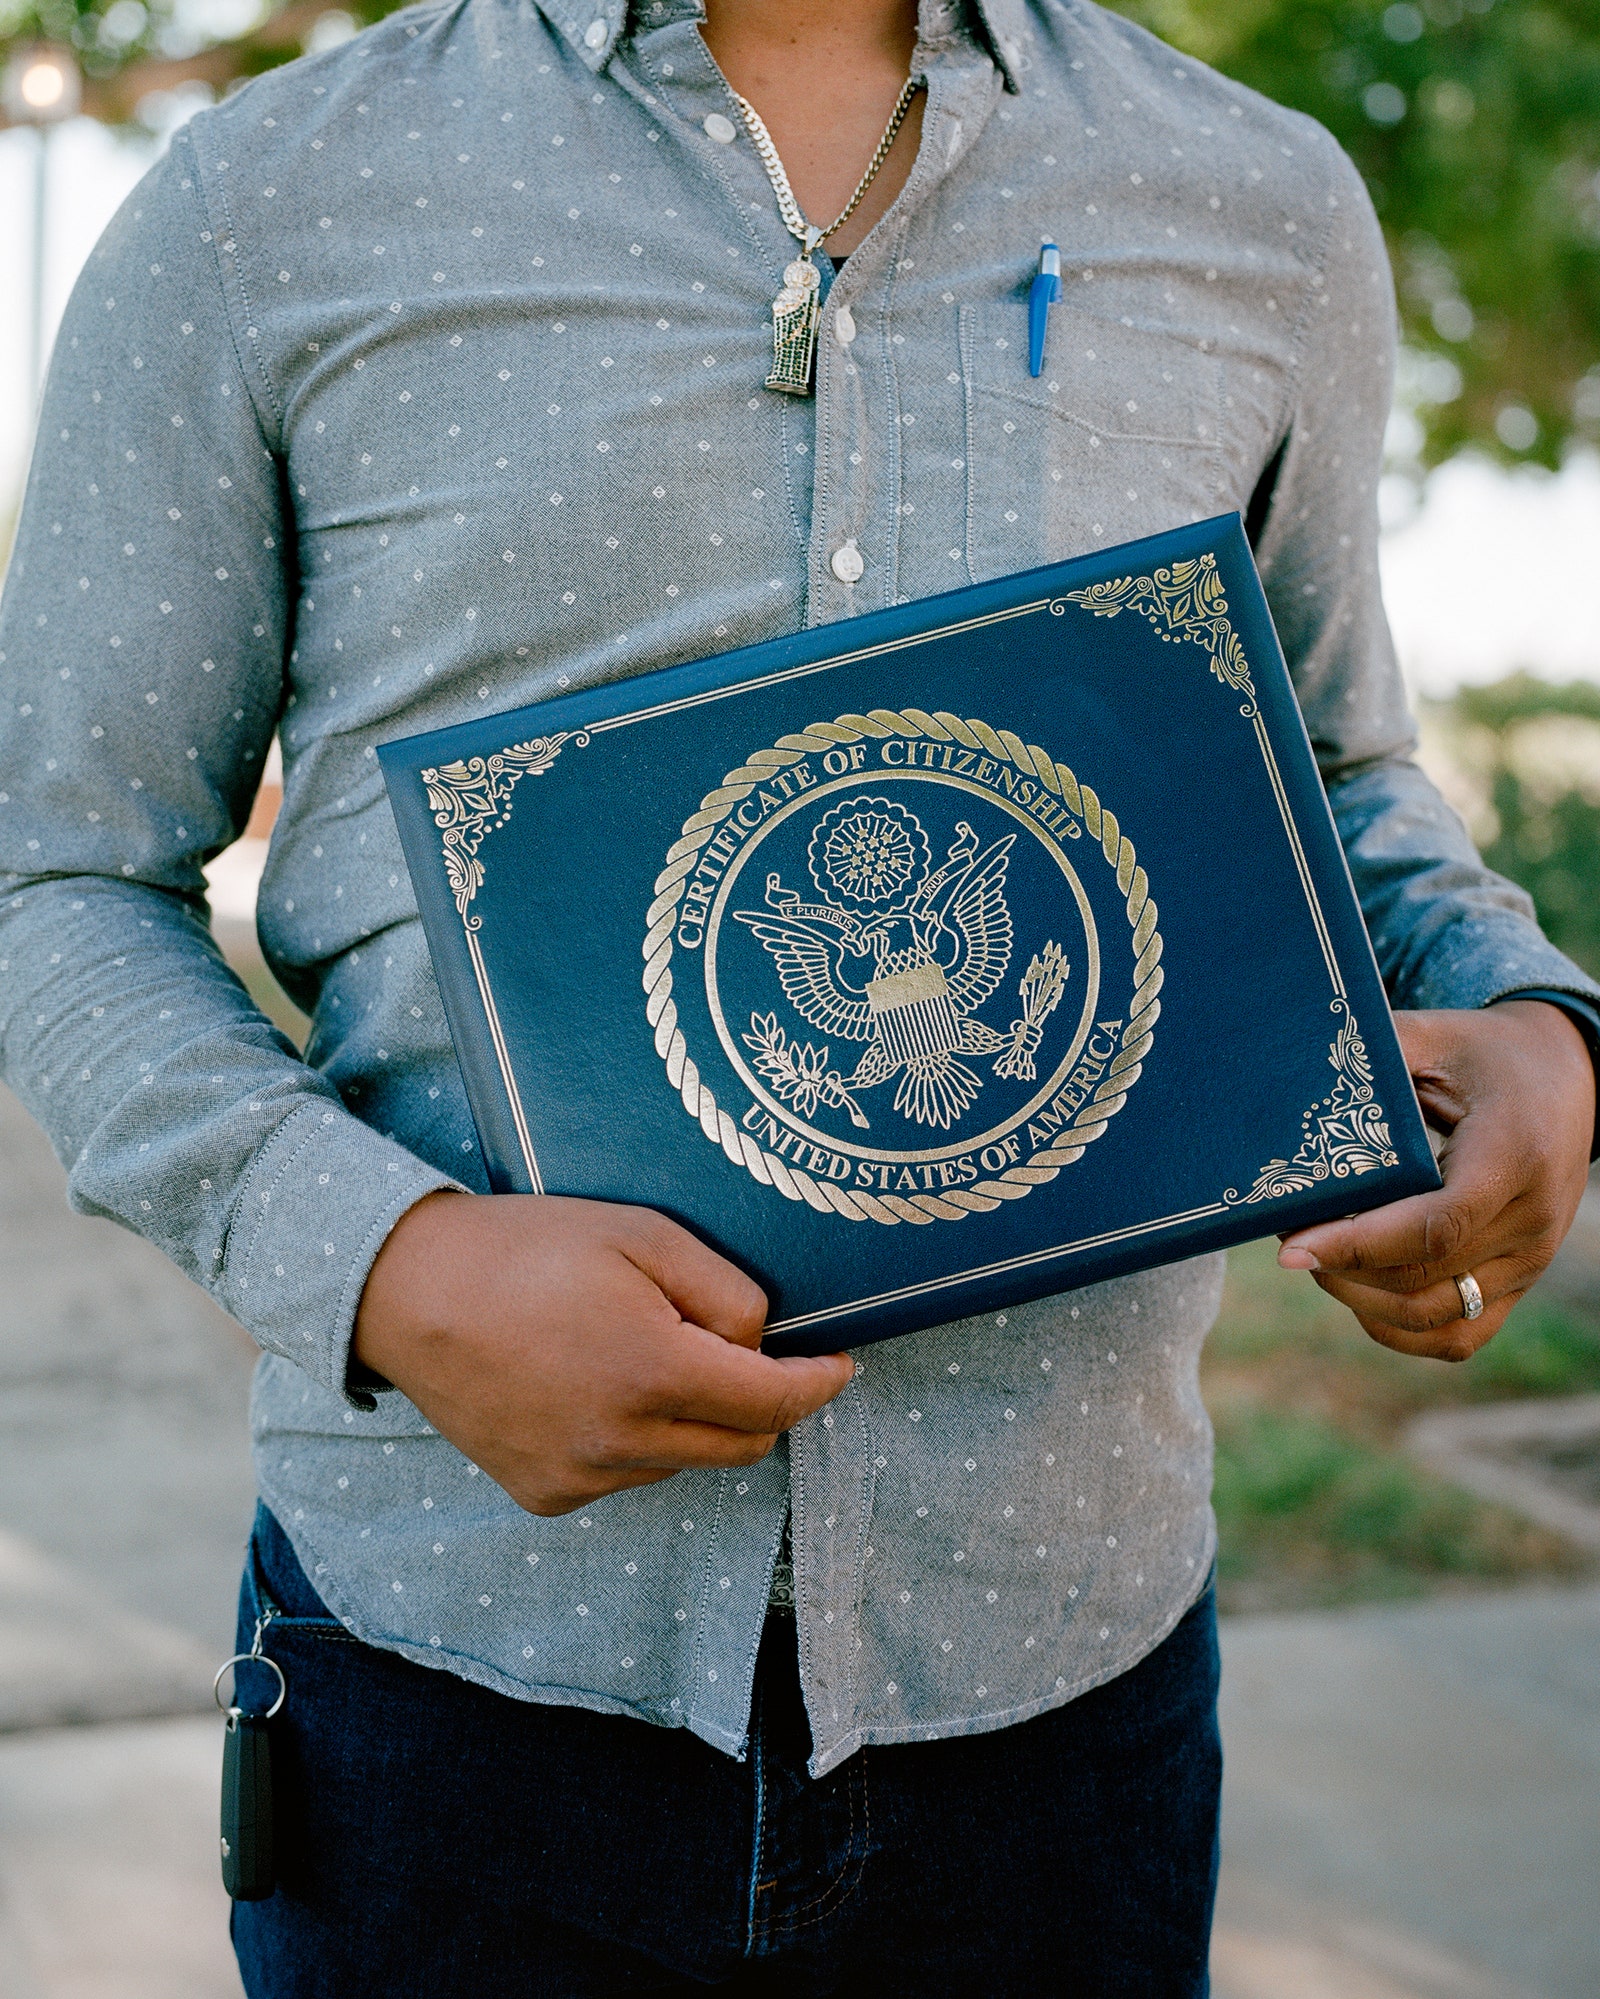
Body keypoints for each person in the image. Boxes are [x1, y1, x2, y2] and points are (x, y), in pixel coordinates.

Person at [2, 0, 1596, 1990]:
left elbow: (1330, 773)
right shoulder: (260, 205)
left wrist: (1528, 1020)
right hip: (450, 1683)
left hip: (1060, 1692)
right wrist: (381, 1264)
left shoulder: (1252, 201)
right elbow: (60, 870)